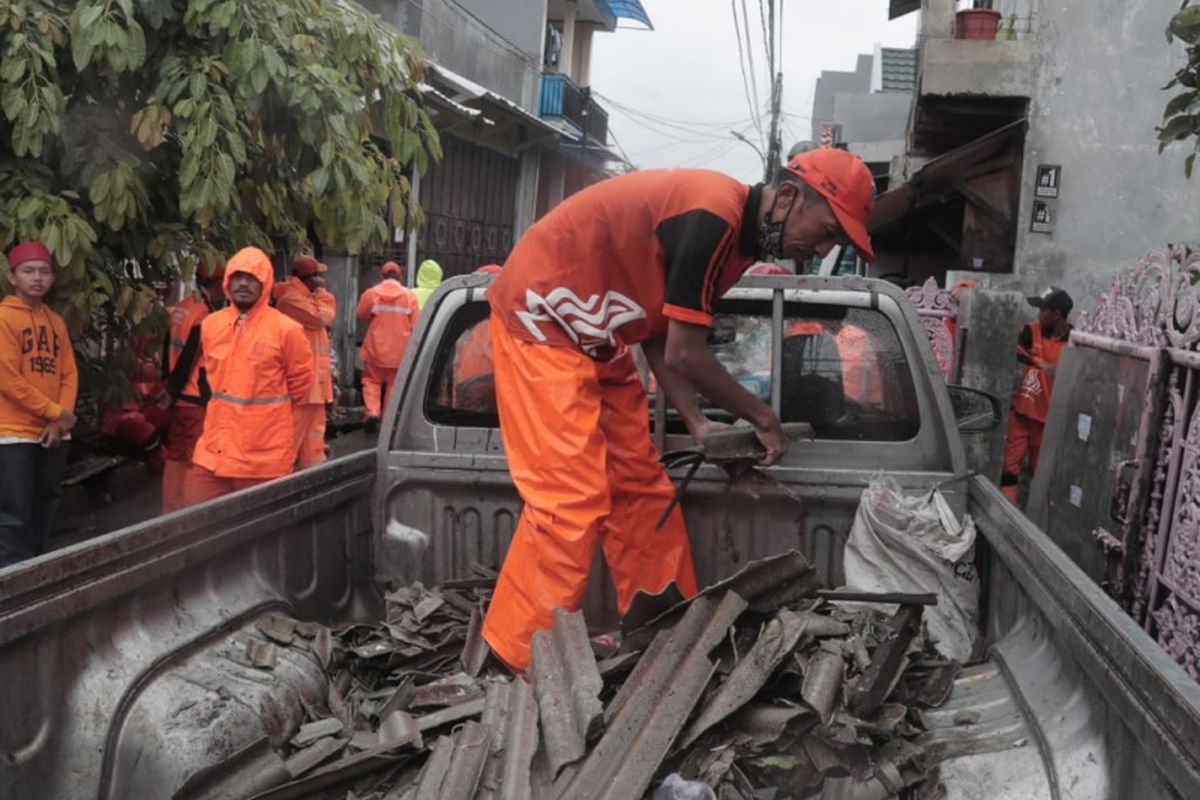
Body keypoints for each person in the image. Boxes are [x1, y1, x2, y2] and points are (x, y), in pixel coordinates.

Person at [483, 148, 877, 671]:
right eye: (827, 231)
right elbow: (685, 353)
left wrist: (696, 422)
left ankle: (666, 637)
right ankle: (513, 661)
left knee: (642, 491)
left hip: (600, 336)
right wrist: (763, 419)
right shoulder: (711, 215)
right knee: (570, 501)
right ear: (787, 197)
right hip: (541, 319)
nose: (821, 248)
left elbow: (660, 332)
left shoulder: (734, 243)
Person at [182, 247, 314, 506]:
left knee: (261, 539)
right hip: (213, 454)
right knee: (193, 531)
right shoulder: (211, 325)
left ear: (265, 283)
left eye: (252, 277)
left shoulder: (286, 330)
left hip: (263, 461)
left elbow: (300, 386)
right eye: (238, 276)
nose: (243, 283)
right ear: (227, 280)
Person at [0, 241, 78, 568]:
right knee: (13, 513)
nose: (37, 278)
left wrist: (60, 422)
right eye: (28, 271)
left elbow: (68, 372)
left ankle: (39, 574)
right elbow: (8, 378)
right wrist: (54, 412)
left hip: (52, 431)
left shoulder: (56, 322)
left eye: (44, 271)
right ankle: (14, 584)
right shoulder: (4, 318)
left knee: (46, 504)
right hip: (13, 433)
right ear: (12, 276)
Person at [160, 256, 225, 513]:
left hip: (178, 399)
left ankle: (170, 509)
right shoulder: (205, 316)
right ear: (218, 282)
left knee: (175, 456)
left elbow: (168, 349)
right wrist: (174, 389)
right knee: (193, 459)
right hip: (194, 398)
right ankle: (187, 514)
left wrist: (168, 388)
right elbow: (189, 357)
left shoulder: (183, 307)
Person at [1000, 286, 1073, 504]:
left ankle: (1037, 524)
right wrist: (1041, 364)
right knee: (1008, 470)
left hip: (1048, 423)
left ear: (1057, 314)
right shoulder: (1031, 331)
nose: (1038, 314)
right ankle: (1007, 515)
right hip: (1022, 415)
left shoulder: (1074, 342)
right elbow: (1015, 347)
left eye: (1043, 310)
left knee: (1041, 476)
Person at [273, 255, 336, 469]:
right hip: (301, 388)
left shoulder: (307, 299)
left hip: (314, 388)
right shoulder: (290, 299)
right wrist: (322, 294)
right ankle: (278, 484)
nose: (320, 281)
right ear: (306, 278)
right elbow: (322, 318)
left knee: (314, 444)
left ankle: (311, 481)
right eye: (317, 276)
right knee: (290, 442)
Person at [357, 261, 419, 433]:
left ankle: (372, 414)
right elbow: (415, 325)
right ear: (400, 276)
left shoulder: (371, 293)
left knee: (371, 381)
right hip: (400, 352)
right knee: (394, 384)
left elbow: (362, 314)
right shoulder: (409, 297)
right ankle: (388, 420)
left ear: (382, 276)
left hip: (375, 349)